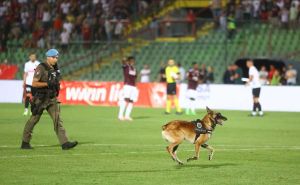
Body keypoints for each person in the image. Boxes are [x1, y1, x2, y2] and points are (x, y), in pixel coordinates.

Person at [21, 49, 78, 150]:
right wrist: (47, 83)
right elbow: (34, 83)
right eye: (54, 57)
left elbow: (55, 81)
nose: (56, 59)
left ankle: (65, 143)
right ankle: (25, 142)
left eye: (57, 57)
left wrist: (56, 86)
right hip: (41, 98)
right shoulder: (41, 67)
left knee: (57, 120)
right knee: (34, 119)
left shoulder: (55, 67)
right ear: (48, 57)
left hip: (52, 98)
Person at [118, 56, 138, 121]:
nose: (133, 62)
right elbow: (123, 62)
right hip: (127, 85)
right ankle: (120, 115)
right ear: (128, 61)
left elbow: (135, 77)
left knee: (131, 101)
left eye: (133, 61)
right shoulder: (126, 66)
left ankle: (127, 116)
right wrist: (124, 60)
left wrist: (136, 85)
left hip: (133, 86)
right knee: (126, 99)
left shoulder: (134, 68)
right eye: (131, 61)